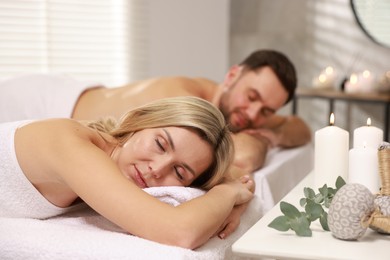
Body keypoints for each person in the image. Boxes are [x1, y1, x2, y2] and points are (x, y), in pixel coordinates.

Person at [0, 49, 311, 174]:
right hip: (42, 104)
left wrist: (272, 132)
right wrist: (267, 140)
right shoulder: (191, 103)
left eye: (266, 110)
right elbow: (241, 158)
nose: (253, 114)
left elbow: (301, 127)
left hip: (80, 92)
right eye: (251, 96)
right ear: (231, 77)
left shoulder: (239, 111)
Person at [0, 96, 254, 249]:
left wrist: (237, 200)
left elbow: (240, 174)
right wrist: (228, 194)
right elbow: (180, 231)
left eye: (178, 172)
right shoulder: (70, 144)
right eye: (160, 144)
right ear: (139, 122)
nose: (156, 168)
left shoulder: (112, 151)